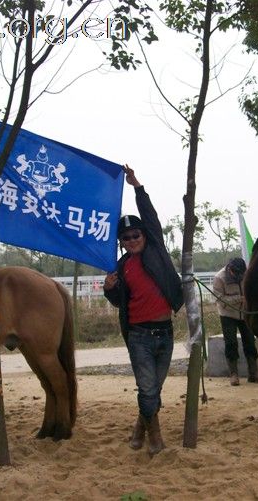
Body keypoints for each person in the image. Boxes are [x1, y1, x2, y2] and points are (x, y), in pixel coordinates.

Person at [103, 164, 183, 456]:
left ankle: (139, 425)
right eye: (126, 238)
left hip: (166, 332)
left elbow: (149, 216)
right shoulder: (121, 268)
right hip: (139, 336)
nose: (133, 240)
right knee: (148, 390)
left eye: (136, 235)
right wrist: (110, 287)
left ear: (144, 235)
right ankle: (155, 437)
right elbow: (118, 302)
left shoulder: (156, 249)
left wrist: (137, 186)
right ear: (121, 244)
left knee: (153, 390)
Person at [213, 257, 258, 386]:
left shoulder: (246, 274)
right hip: (227, 315)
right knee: (231, 343)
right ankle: (233, 374)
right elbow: (220, 300)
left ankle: (254, 373)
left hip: (245, 314)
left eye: (242, 274)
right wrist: (239, 299)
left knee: (250, 342)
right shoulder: (219, 278)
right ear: (230, 269)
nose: (240, 276)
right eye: (237, 274)